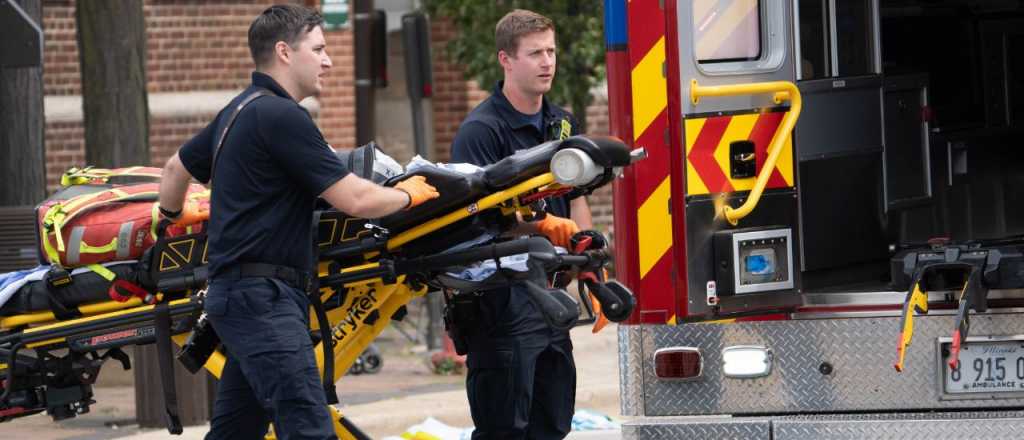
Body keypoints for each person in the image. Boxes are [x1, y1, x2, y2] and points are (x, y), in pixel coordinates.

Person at [157, 5, 439, 440]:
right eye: (319, 49)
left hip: (240, 297)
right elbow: (355, 199)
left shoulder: (237, 110)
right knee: (309, 427)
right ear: (284, 52)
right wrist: (409, 195)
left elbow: (175, 169)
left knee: (237, 432)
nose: (328, 61)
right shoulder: (282, 116)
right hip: (263, 301)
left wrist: (171, 218)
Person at [450, 9, 592, 440]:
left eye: (551, 51)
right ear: (506, 60)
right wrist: (545, 227)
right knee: (504, 429)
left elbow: (578, 196)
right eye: (535, 53)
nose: (547, 62)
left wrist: (585, 253)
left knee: (553, 422)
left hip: (551, 295)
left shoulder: (561, 124)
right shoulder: (481, 131)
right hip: (501, 300)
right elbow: (477, 222)